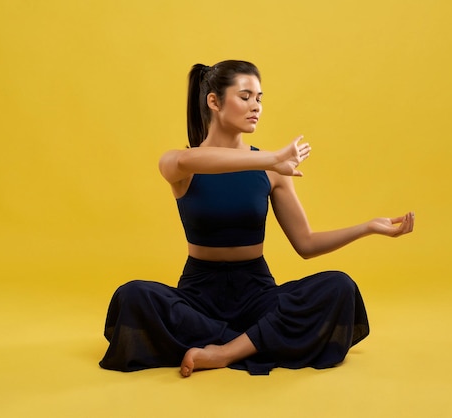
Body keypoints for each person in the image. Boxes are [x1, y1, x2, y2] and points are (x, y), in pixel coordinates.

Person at [99, 60, 415, 377]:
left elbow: (305, 243)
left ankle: (223, 351)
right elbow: (192, 158)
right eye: (246, 96)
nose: (256, 107)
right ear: (214, 101)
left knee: (339, 287)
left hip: (256, 293)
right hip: (198, 294)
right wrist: (273, 158)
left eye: (260, 98)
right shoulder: (181, 163)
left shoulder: (271, 169)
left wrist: (368, 227)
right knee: (132, 297)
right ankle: (256, 342)